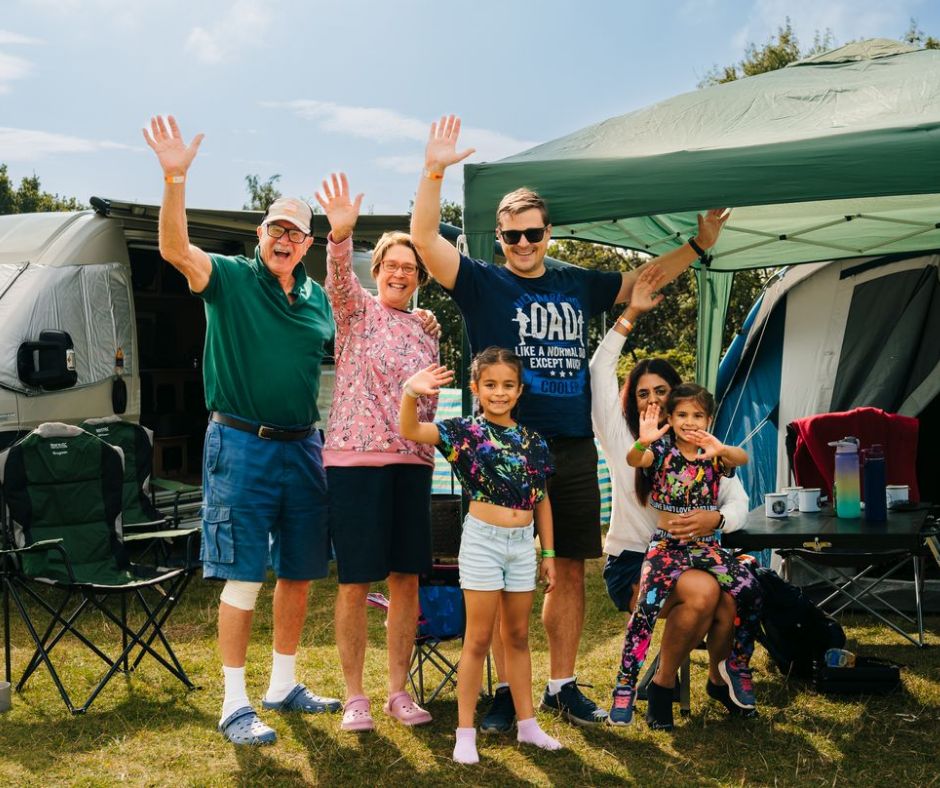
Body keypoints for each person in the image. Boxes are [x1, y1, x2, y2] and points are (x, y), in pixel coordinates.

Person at [410, 114, 730, 728]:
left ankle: (561, 685)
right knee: (506, 572)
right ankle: (507, 693)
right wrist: (434, 171)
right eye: (510, 236)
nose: (523, 245)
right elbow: (425, 240)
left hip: (573, 445)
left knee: (571, 568)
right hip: (502, 448)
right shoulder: (480, 282)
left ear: (549, 232)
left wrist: (696, 246)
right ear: (498, 237)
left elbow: (644, 281)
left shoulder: (576, 282)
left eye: (532, 234)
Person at [143, 116, 340, 746]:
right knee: (245, 574)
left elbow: (359, 341)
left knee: (300, 570)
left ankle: (283, 683)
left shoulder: (317, 300)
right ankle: (235, 701)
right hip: (240, 444)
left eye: (295, 232)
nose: (284, 240)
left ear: (306, 244)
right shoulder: (228, 277)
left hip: (303, 445)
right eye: (275, 229)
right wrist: (175, 178)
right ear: (260, 235)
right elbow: (175, 249)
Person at [315, 172, 441, 731]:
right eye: (392, 264)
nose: (400, 273)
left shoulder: (425, 329)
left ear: (418, 280)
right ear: (377, 270)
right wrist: (340, 234)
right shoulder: (355, 312)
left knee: (406, 580)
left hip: (411, 465)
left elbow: (429, 402)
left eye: (410, 269)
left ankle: (397, 692)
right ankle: (354, 698)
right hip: (355, 462)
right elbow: (337, 279)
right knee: (355, 580)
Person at [590, 302, 755, 729]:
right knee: (704, 593)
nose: (653, 400)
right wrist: (629, 315)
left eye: (661, 392)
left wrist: (715, 521)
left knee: (729, 595)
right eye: (642, 393)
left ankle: (718, 677)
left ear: (680, 400)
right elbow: (598, 372)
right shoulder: (623, 436)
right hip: (635, 561)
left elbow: (737, 500)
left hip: (695, 552)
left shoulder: (703, 445)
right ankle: (660, 687)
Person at [400, 348, 562, 764]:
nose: (499, 392)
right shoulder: (463, 433)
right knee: (477, 639)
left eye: (508, 385)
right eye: (490, 385)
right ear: (476, 388)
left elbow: (541, 499)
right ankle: (465, 731)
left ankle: (528, 726)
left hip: (523, 545)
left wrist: (548, 552)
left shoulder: (534, 441)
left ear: (520, 390)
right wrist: (409, 393)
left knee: (519, 637)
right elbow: (412, 431)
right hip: (482, 543)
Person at [609, 383, 762, 726]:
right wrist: (643, 440)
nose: (689, 422)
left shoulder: (714, 455)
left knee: (750, 589)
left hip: (705, 548)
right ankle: (625, 686)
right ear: (669, 417)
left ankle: (736, 664)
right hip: (667, 546)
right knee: (646, 610)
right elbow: (636, 459)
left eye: (697, 415)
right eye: (681, 415)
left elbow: (743, 458)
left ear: (709, 419)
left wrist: (720, 447)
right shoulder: (660, 452)